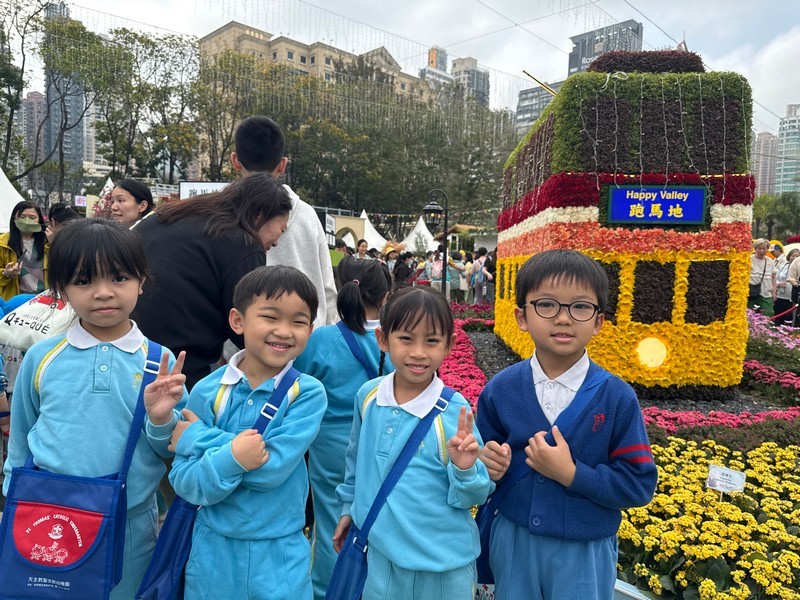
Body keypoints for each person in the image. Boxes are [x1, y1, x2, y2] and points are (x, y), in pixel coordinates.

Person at [3, 218, 187, 599]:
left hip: (129, 526)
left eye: (119, 278)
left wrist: (160, 420)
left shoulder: (160, 363)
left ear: (141, 280)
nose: (103, 293)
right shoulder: (42, 357)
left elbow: (170, 449)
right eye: (84, 281)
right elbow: (21, 435)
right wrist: (13, 501)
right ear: (62, 288)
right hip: (47, 517)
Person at [476, 249, 657, 600]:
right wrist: (486, 466)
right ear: (522, 316)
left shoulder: (616, 398)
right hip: (514, 542)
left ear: (598, 321)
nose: (563, 318)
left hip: (584, 550)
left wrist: (572, 474)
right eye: (546, 304)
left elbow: (638, 485)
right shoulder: (501, 389)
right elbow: (480, 464)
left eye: (580, 307)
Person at [168, 265, 326, 600]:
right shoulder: (208, 390)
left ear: (311, 330)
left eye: (298, 322)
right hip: (213, 549)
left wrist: (198, 438)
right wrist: (238, 456)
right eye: (270, 317)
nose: (284, 331)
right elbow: (184, 481)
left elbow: (271, 470)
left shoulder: (307, 393)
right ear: (238, 321)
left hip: (280, 550)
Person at [333, 286, 492, 600]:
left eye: (431, 341)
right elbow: (355, 462)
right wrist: (348, 509)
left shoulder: (454, 412)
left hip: (444, 568)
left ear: (449, 345)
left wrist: (465, 470)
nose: (418, 352)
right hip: (380, 561)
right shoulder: (368, 397)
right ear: (383, 339)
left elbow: (474, 495)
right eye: (406, 338)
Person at [134, 172, 292, 390]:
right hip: (179, 370)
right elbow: (249, 328)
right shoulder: (244, 243)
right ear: (261, 214)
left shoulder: (169, 215)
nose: (276, 243)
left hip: (125, 351)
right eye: (282, 229)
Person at [294, 256, 394, 600]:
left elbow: (297, 384)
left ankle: (327, 589)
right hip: (383, 440)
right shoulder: (395, 338)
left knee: (329, 520)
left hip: (330, 447)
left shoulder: (322, 339)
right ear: (386, 296)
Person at [231, 116, 337, 328]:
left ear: (235, 161)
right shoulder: (308, 216)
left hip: (244, 341)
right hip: (306, 337)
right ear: (282, 165)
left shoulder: (222, 215)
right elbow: (328, 289)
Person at [0, 201, 48, 300]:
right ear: (14, 218)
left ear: (39, 220)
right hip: (17, 300)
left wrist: (53, 243)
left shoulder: (48, 242)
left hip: (45, 299)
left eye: (32, 217)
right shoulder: (3, 243)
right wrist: (6, 273)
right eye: (22, 217)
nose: (27, 221)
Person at [749, 238, 777, 315]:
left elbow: (773, 277)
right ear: (755, 249)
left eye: (764, 249)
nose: (761, 251)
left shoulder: (769, 261)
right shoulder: (749, 259)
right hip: (751, 293)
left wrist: (774, 292)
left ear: (767, 249)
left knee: (768, 313)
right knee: (750, 315)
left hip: (766, 294)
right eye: (759, 248)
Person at [774, 248, 800, 326]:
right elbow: (775, 277)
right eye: (793, 256)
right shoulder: (783, 266)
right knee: (778, 316)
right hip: (781, 294)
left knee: (789, 317)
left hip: (791, 296)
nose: (794, 258)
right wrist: (778, 284)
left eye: (797, 256)